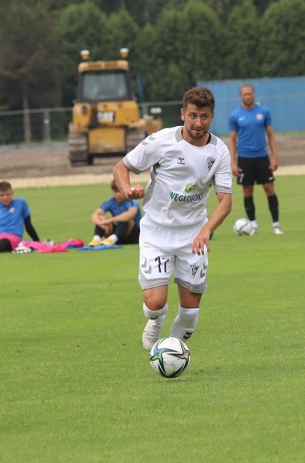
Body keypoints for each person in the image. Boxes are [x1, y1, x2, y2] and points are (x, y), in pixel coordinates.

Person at [112, 86, 232, 351]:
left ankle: (169, 355)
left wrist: (206, 231)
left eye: (203, 116)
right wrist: (127, 189)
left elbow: (226, 201)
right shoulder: (161, 141)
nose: (197, 122)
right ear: (182, 114)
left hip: (193, 235)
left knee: (189, 317)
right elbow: (121, 168)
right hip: (157, 231)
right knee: (155, 303)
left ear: (212, 117)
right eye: (192, 115)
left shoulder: (219, 151)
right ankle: (155, 322)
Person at [228, 83, 282, 235]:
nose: (247, 96)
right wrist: (233, 162)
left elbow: (270, 135)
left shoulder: (264, 112)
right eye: (244, 94)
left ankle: (276, 225)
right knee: (247, 190)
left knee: (269, 188)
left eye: (249, 93)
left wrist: (274, 157)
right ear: (241, 96)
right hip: (245, 158)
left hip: (262, 157)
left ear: (254, 94)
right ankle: (253, 226)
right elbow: (232, 140)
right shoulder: (235, 116)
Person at [0, 181, 40, 253]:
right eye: (2, 195)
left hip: (12, 237)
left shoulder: (21, 203)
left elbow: (28, 225)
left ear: (12, 193)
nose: (5, 198)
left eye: (8, 194)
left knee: (3, 244)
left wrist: (37, 242)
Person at [88, 179, 141, 246]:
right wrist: (102, 223)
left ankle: (111, 240)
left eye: (120, 191)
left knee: (126, 220)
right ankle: (96, 240)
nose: (118, 194)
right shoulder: (111, 202)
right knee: (101, 217)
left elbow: (130, 214)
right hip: (119, 234)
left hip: (134, 235)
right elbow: (95, 215)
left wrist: (110, 220)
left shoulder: (131, 201)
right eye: (115, 192)